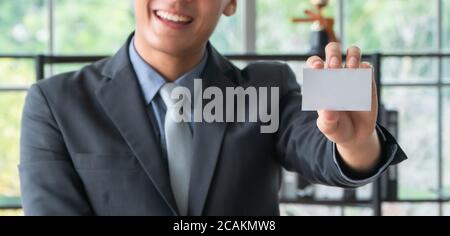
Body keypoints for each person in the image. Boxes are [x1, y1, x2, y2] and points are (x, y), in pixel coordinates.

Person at [19, 0, 406, 216]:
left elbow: (323, 149)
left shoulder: (266, 86)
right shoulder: (56, 104)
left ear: (231, 3)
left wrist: (354, 143)